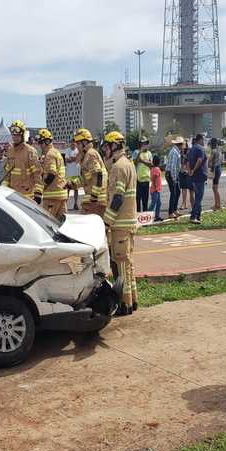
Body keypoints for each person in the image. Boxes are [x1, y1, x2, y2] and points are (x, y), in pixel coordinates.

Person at [102, 131, 138, 316]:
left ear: (113, 146)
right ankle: (132, 300)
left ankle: (124, 305)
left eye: (107, 147)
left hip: (120, 224)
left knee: (121, 266)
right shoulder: (129, 164)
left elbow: (117, 198)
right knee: (128, 265)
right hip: (129, 222)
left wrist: (106, 222)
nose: (105, 150)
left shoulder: (118, 167)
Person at [2, 120, 43, 202]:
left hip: (27, 195)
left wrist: (38, 192)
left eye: (17, 135)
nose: (15, 137)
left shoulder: (30, 151)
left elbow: (37, 173)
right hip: (13, 194)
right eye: (13, 135)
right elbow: (7, 173)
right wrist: (3, 189)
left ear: (22, 136)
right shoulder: (10, 151)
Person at [71, 128, 107, 216]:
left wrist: (94, 196)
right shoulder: (87, 155)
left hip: (95, 201)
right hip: (95, 200)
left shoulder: (90, 154)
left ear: (85, 143)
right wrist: (72, 184)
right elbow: (86, 179)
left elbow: (98, 175)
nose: (77, 147)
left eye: (78, 144)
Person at [37, 129, 68, 218]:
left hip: (52, 196)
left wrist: (43, 185)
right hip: (61, 194)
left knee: (49, 224)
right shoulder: (56, 152)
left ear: (47, 142)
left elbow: (51, 174)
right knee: (62, 224)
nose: (40, 146)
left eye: (41, 143)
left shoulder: (49, 155)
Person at [187, 134, 208, 225]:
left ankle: (198, 216)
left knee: (198, 196)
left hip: (194, 176)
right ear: (200, 139)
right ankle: (193, 216)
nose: (204, 142)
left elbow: (187, 162)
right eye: (203, 140)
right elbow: (199, 161)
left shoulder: (191, 149)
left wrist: (190, 171)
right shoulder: (200, 149)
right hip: (200, 175)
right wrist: (194, 170)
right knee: (199, 197)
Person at [165, 136, 183, 219]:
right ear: (180, 144)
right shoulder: (175, 152)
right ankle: (171, 212)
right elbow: (172, 167)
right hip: (171, 174)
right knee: (174, 192)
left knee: (177, 191)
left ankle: (174, 210)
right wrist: (174, 178)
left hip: (173, 173)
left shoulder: (176, 151)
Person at [134, 137, 152, 212]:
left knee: (145, 199)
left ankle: (145, 215)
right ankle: (138, 215)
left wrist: (142, 161)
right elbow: (135, 162)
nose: (145, 145)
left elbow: (150, 164)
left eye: (146, 143)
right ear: (140, 144)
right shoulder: (136, 152)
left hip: (146, 179)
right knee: (137, 199)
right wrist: (140, 153)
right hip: (138, 179)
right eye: (143, 143)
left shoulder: (149, 153)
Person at [65, 141, 81, 210]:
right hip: (69, 173)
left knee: (76, 189)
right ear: (70, 143)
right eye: (72, 143)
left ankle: (75, 203)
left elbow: (79, 159)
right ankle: (65, 204)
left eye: (75, 143)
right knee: (68, 189)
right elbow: (67, 160)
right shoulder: (67, 150)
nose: (73, 144)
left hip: (76, 173)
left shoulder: (78, 150)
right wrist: (75, 158)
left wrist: (72, 158)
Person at [148, 155, 163, 222]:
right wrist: (156, 187)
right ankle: (147, 216)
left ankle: (157, 216)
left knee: (159, 203)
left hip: (157, 189)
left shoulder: (154, 168)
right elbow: (154, 179)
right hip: (155, 190)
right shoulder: (156, 169)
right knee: (153, 204)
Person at [179, 139, 193, 211]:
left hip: (187, 171)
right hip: (182, 171)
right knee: (183, 188)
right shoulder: (180, 152)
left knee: (189, 189)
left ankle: (186, 203)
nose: (182, 145)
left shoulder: (188, 152)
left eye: (184, 144)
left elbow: (187, 162)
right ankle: (184, 203)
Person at [209, 137, 223, 210]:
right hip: (219, 169)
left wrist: (209, 165)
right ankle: (217, 204)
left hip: (215, 169)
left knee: (215, 188)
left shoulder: (213, 151)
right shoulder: (219, 150)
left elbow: (210, 160)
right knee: (215, 187)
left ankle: (218, 205)